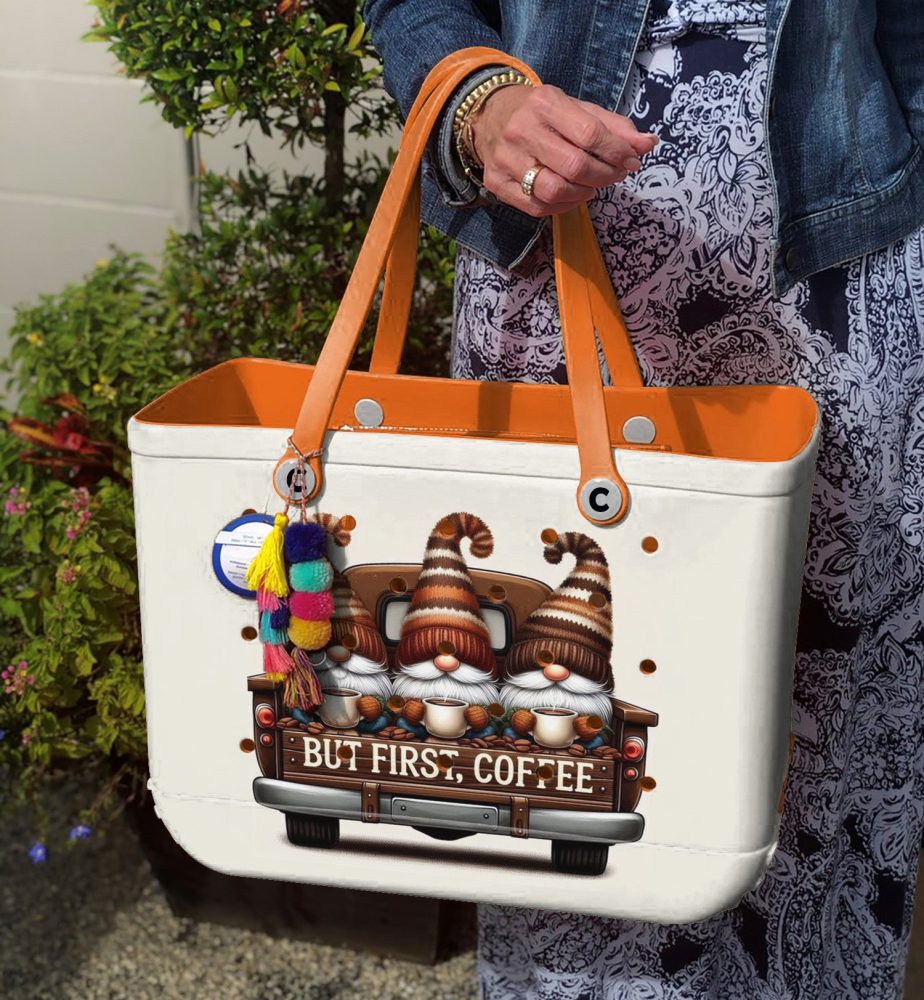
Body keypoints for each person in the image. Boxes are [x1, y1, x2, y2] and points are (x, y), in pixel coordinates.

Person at [362, 1, 924, 997]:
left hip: (843, 292)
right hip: (552, 281)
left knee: (829, 745)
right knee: (560, 740)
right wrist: (479, 106)